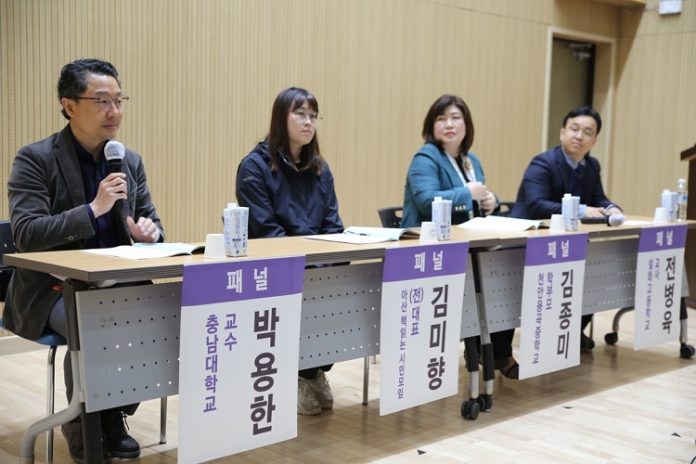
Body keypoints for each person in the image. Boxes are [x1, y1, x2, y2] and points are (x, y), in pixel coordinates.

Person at [3, 58, 163, 463]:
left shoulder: (128, 160)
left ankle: (112, 412)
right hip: (53, 287)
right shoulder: (35, 158)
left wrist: (150, 233)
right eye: (102, 101)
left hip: (118, 282)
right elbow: (27, 234)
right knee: (95, 326)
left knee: (165, 324)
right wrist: (93, 209)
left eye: (119, 101)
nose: (114, 111)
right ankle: (84, 422)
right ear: (69, 105)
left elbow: (151, 221)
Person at [236, 87, 343, 415]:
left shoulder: (320, 168)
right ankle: (302, 374)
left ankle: (315, 369)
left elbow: (334, 225)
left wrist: (327, 264)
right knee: (312, 289)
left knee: (341, 286)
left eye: (313, 116)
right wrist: (312, 265)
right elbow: (268, 232)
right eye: (300, 114)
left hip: (317, 266)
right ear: (280, 119)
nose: (309, 122)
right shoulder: (254, 166)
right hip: (275, 268)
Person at [401, 94, 518, 379]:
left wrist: (491, 201)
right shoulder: (426, 157)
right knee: (484, 277)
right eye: (441, 119)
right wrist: (468, 193)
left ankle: (497, 352)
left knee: (506, 270)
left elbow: (477, 200)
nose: (449, 124)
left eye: (455, 118)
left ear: (467, 125)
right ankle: (485, 351)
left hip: (467, 245)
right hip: (430, 249)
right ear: (431, 126)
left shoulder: (470, 160)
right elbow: (427, 202)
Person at [510, 105, 622, 351]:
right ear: (562, 133)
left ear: (595, 140)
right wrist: (581, 210)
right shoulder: (543, 163)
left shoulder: (591, 166)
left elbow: (598, 198)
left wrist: (612, 208)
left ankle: (570, 332)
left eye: (587, 132)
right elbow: (536, 205)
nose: (579, 136)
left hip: (566, 244)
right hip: (527, 242)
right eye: (574, 129)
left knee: (593, 278)